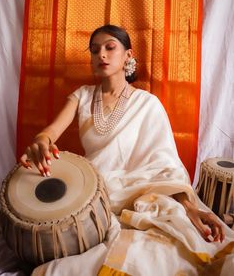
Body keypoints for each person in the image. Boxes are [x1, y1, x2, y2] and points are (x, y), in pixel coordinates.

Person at [20, 25, 234, 276]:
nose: (101, 54)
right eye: (95, 50)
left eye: (110, 47)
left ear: (128, 56)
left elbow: (165, 166)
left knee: (164, 247)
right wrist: (42, 141)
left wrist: (189, 208)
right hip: (95, 193)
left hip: (143, 190)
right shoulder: (82, 96)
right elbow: (51, 131)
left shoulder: (147, 104)